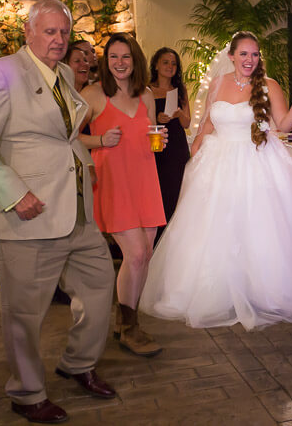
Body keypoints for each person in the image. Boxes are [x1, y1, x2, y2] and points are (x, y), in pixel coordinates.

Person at [0, 0, 117, 424]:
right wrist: (13, 193)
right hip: (30, 213)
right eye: (50, 31)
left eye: (64, 32)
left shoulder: (64, 73)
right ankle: (26, 393)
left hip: (78, 211)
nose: (59, 39)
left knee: (101, 289)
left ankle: (78, 363)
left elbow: (63, 139)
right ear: (28, 32)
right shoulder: (2, 72)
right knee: (25, 313)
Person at [139, 31, 292, 330]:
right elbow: (206, 124)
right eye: (244, 54)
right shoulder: (217, 83)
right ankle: (215, 290)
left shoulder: (269, 86)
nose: (250, 60)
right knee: (213, 229)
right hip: (217, 162)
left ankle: (262, 289)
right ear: (231, 56)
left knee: (259, 227)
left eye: (255, 54)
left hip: (257, 160)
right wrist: (195, 154)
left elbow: (283, 124)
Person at [79, 32, 166, 357]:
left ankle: (126, 318)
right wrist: (100, 141)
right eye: (113, 57)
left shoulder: (145, 95)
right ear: (106, 61)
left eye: (125, 57)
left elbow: (146, 135)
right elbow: (66, 137)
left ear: (136, 60)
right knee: (136, 255)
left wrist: (157, 142)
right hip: (114, 182)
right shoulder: (94, 94)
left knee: (146, 254)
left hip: (144, 178)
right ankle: (130, 327)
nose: (119, 63)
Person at [148, 47, 190, 240]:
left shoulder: (180, 89)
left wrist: (179, 113)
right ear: (156, 65)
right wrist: (156, 117)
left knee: (178, 191)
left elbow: (187, 122)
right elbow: (141, 121)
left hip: (177, 146)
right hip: (157, 145)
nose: (170, 66)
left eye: (173, 63)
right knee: (159, 192)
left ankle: (175, 239)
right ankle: (158, 238)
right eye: (165, 62)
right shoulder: (146, 89)